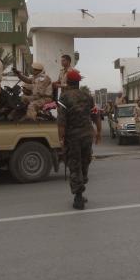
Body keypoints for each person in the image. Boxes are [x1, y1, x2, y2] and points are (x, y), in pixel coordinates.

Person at [57, 69, 101, 209]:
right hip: (87, 135)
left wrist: (61, 138)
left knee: (75, 165)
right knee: (84, 162)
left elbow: (61, 121)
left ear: (68, 82)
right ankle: (81, 190)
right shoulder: (87, 96)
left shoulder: (64, 97)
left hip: (73, 137)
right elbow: (96, 115)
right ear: (78, 82)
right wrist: (98, 132)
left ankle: (78, 197)